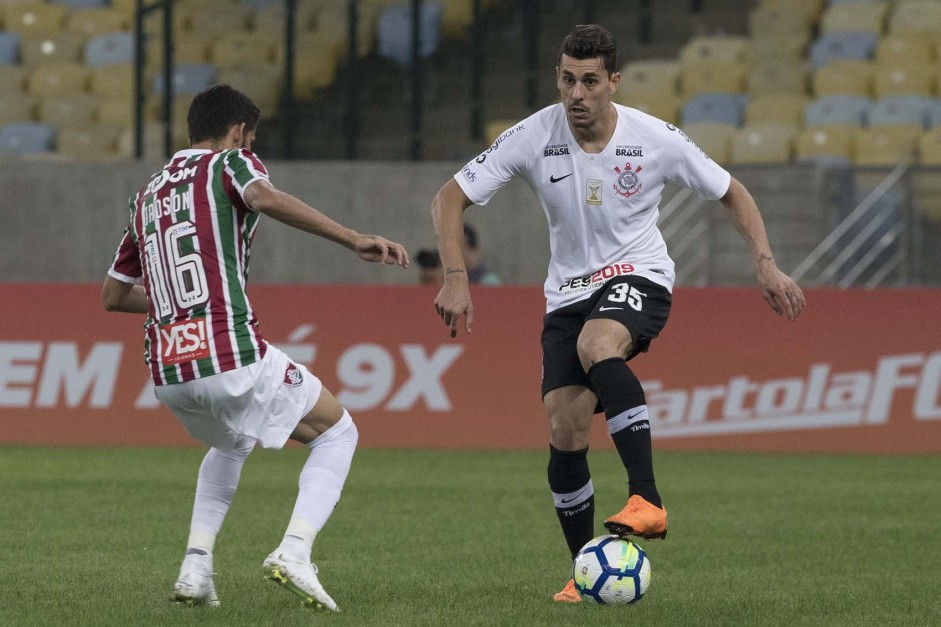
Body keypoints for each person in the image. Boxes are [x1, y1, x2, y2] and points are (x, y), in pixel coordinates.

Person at [430, 25, 805, 603]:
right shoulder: (533, 135)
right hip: (566, 293)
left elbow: (733, 191)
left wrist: (765, 264)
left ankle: (647, 500)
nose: (575, 94)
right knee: (565, 425)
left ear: (613, 82)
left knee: (597, 345)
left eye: (589, 81)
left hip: (639, 275)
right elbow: (448, 197)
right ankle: (584, 573)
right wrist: (457, 277)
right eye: (566, 79)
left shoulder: (653, 137)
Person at [101, 84, 409, 611]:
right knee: (337, 432)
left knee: (233, 441)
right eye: (250, 138)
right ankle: (294, 551)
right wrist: (352, 237)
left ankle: (196, 567)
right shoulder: (231, 164)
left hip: (168, 370)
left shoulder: (146, 195)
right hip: (228, 353)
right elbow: (263, 196)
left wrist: (176, 305)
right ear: (239, 133)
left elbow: (113, 296)